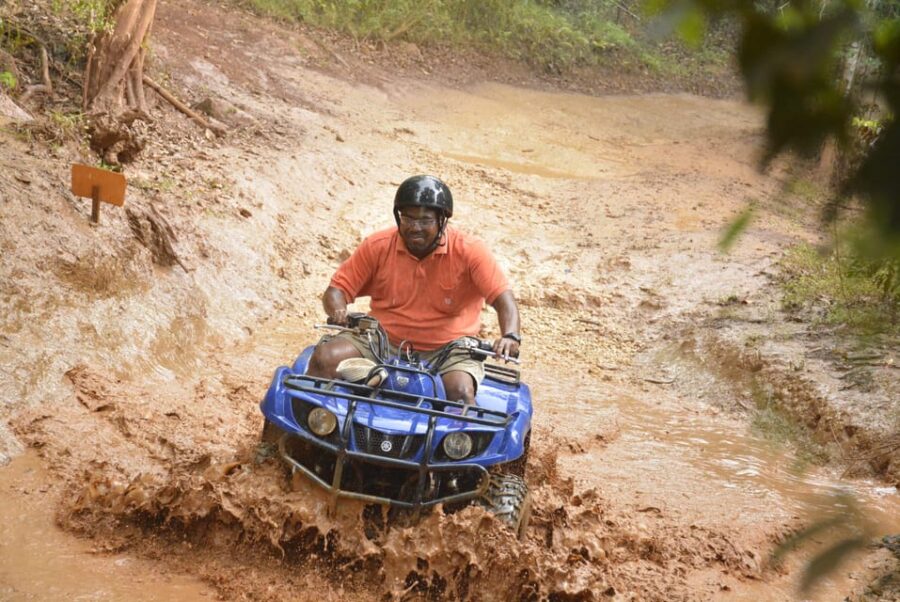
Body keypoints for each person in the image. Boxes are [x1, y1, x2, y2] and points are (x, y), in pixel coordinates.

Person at [307, 175, 521, 406]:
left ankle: (458, 442)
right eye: (407, 218)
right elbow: (336, 290)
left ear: (442, 220)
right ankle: (309, 432)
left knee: (460, 392)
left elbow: (503, 300)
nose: (414, 227)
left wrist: (510, 336)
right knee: (324, 358)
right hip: (380, 340)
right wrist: (338, 310)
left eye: (425, 220)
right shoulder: (377, 245)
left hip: (449, 350)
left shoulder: (470, 251)